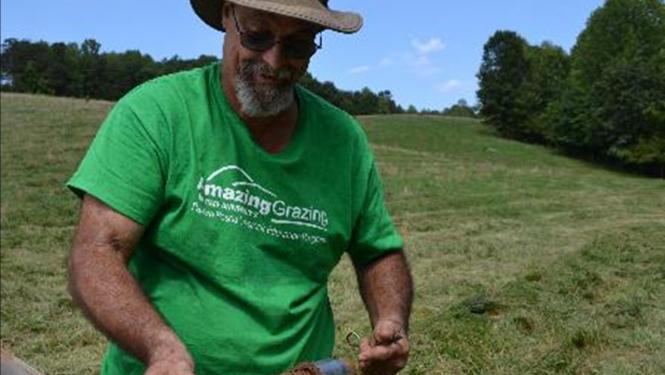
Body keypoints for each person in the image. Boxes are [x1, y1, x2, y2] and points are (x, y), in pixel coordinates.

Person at [66, 0, 413, 374]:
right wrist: (161, 348)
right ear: (226, 17)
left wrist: (391, 321)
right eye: (258, 35)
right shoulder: (156, 113)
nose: (275, 61)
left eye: (297, 46)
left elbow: (377, 252)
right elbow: (98, 250)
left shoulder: (343, 140)